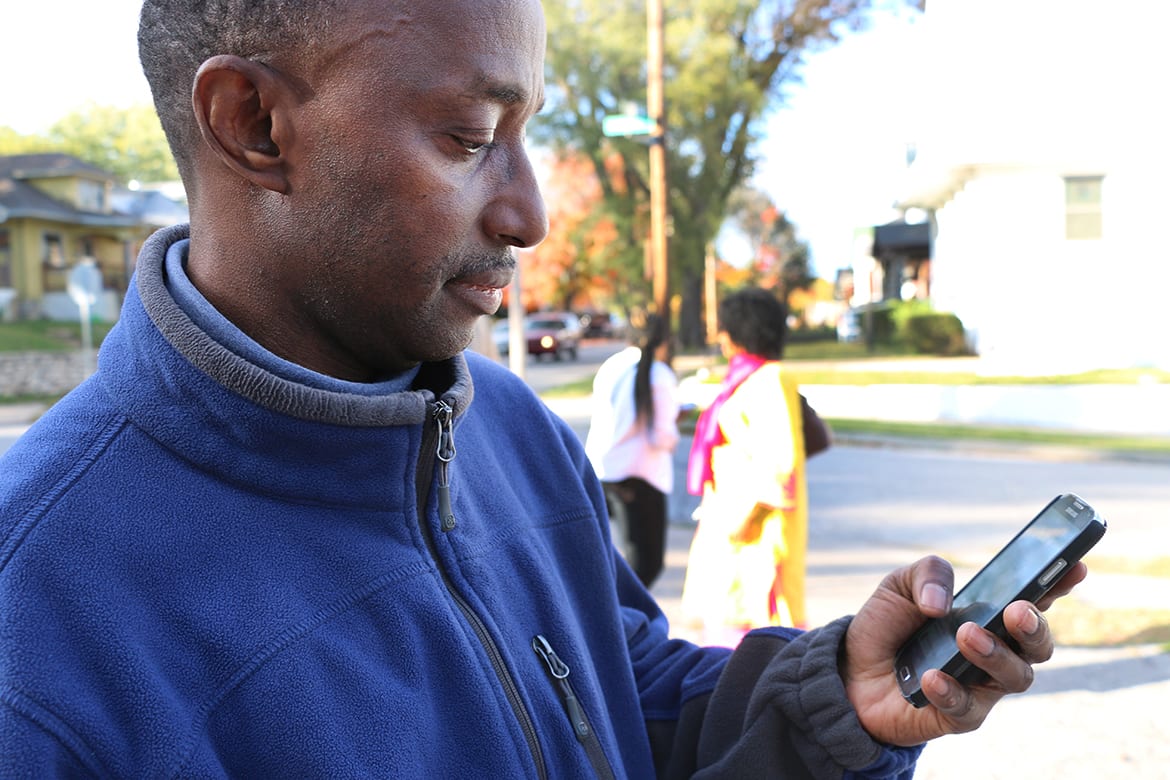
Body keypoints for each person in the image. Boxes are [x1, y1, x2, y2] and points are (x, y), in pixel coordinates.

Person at [0, 0, 1087, 776]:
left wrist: (824, 706)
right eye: (471, 138)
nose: (530, 213)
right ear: (254, 124)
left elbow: (620, 702)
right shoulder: (37, 622)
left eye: (527, 134)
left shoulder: (506, 421)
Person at [681, 287, 810, 647]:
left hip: (756, 537)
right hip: (731, 532)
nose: (720, 339)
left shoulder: (771, 379)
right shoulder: (743, 379)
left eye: (724, 329)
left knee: (758, 646)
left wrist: (741, 522)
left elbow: (781, 465)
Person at [585, 312, 680, 587]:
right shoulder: (658, 373)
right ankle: (622, 623)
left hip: (605, 471)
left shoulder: (613, 365)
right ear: (665, 339)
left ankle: (619, 618)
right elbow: (663, 437)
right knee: (646, 565)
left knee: (624, 557)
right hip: (641, 477)